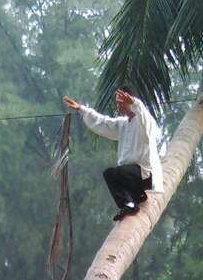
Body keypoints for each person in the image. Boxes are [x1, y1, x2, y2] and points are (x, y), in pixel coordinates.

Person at [63, 89, 163, 221]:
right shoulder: (123, 123)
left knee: (120, 172)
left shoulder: (144, 122)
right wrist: (82, 109)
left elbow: (144, 115)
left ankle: (137, 196)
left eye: (120, 102)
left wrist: (135, 103)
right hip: (129, 177)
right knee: (109, 173)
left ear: (129, 100)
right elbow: (102, 122)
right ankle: (129, 204)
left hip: (144, 175)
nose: (118, 106)